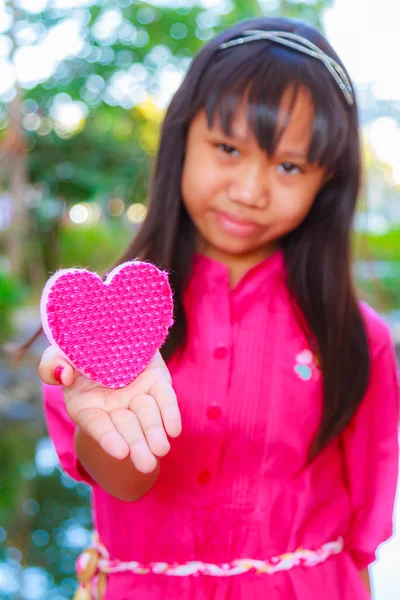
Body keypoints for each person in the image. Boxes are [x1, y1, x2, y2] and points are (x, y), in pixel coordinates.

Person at [37, 17, 399, 600]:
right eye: (227, 148)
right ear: (183, 139)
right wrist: (109, 417)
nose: (250, 190)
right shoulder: (104, 329)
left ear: (326, 181)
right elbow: (124, 486)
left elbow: (365, 533)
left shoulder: (358, 338)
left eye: (289, 166)